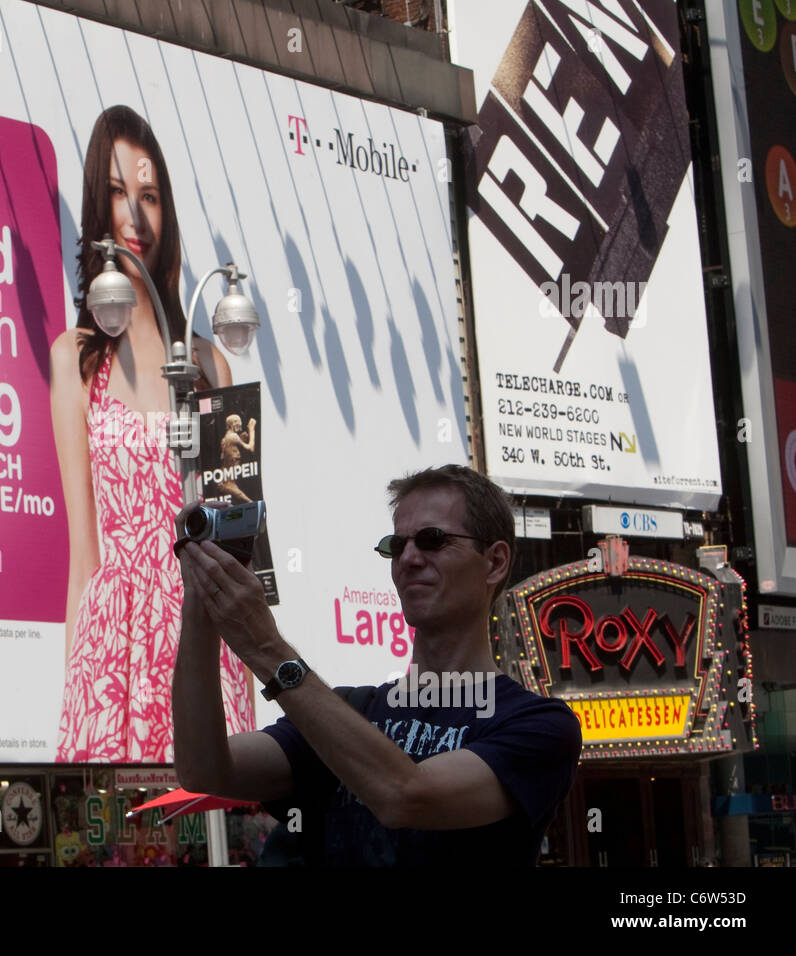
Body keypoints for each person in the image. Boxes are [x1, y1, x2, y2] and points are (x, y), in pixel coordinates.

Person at [172, 464, 583, 865]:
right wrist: (200, 596)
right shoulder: (349, 709)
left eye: (432, 539)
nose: (408, 558)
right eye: (396, 545)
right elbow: (204, 770)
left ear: (494, 562)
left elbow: (405, 795)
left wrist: (265, 646)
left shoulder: (540, 726)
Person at [49, 105, 255, 762]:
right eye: (116, 193)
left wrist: (251, 681)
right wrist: (73, 698)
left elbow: (242, 545)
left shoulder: (209, 361)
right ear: (96, 210)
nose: (135, 217)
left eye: (149, 196)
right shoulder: (75, 358)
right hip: (113, 649)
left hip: (204, 629)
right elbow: (83, 556)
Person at [209, 414, 256, 503]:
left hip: (227, 475)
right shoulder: (233, 436)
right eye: (238, 424)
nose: (240, 426)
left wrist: (241, 439)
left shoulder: (228, 436)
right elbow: (251, 448)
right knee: (248, 501)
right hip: (229, 481)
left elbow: (229, 448)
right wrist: (251, 429)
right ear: (232, 424)